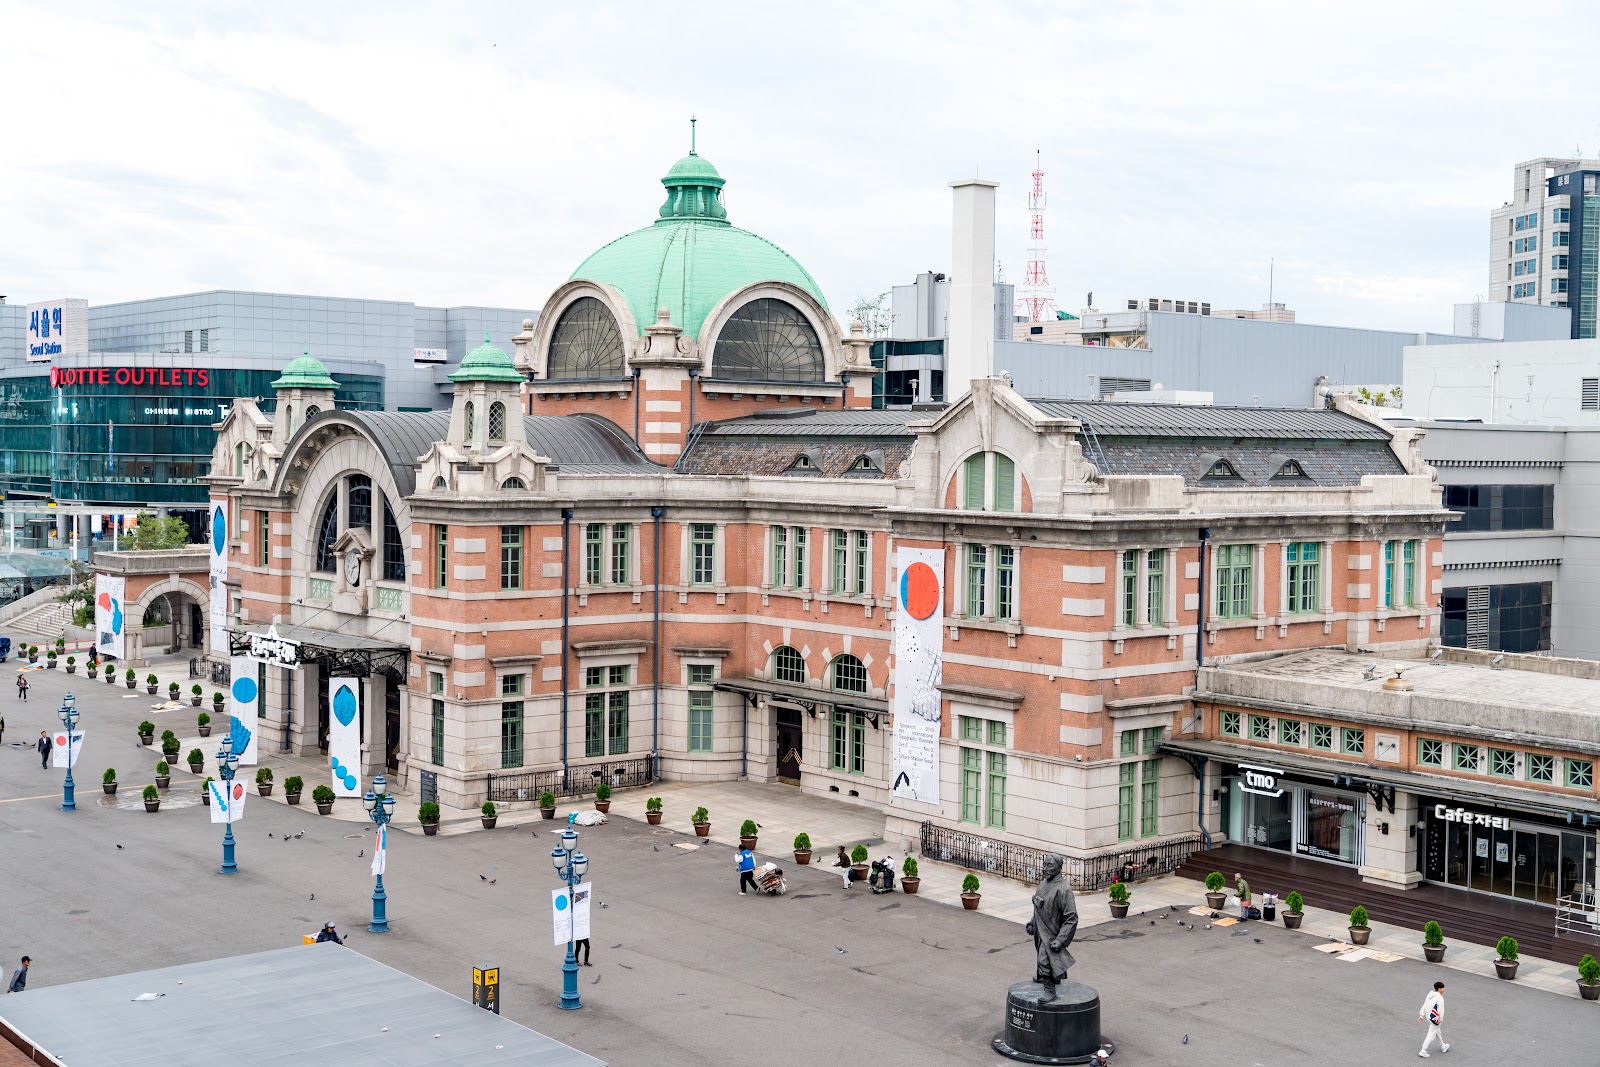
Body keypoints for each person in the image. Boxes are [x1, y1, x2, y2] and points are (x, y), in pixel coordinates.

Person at [1025, 854, 1079, 1004]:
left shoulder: (1064, 889)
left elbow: (1071, 918)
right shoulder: (1043, 883)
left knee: (1045, 960)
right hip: (1040, 929)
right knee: (1043, 957)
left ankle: (1050, 990)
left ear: (1059, 868)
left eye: (1050, 866)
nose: (1045, 869)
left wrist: (1061, 940)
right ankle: (1052, 978)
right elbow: (1038, 907)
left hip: (1052, 932)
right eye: (1044, 865)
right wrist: (1032, 923)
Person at [1418, 980, 1447, 1057]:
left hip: (1429, 1017)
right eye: (1442, 988)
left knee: (1437, 1031)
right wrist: (1440, 1019)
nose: (1444, 989)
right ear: (1439, 989)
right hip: (1436, 1019)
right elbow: (1441, 1010)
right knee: (1431, 1034)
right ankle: (1423, 1050)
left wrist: (1421, 1015)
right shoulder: (1440, 998)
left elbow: (1425, 1004)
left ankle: (1443, 1045)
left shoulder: (1429, 995)